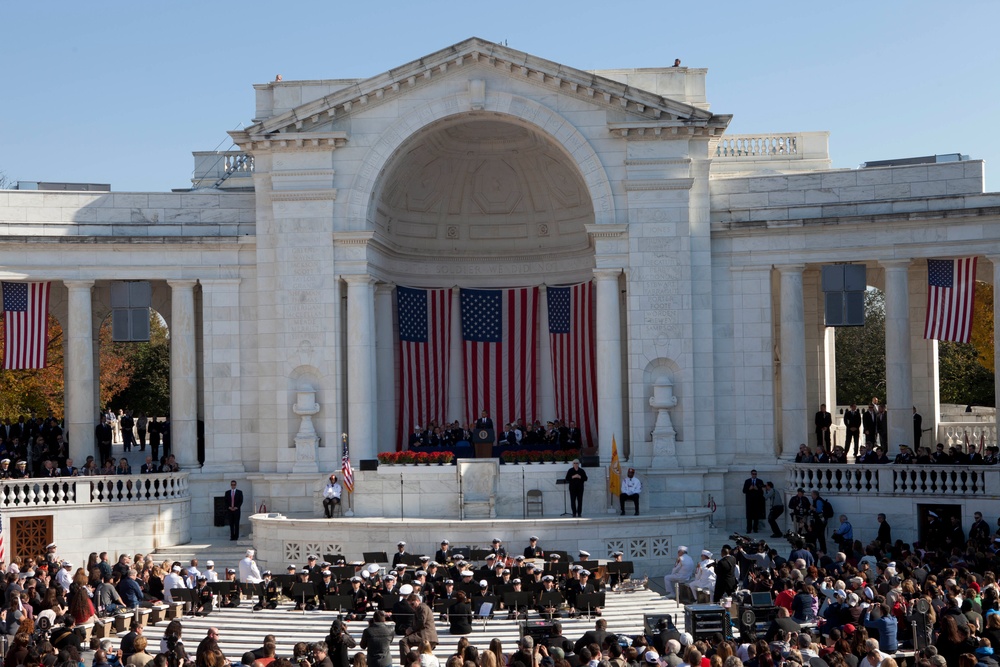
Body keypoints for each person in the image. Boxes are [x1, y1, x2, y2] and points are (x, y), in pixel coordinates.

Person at [399, 593, 438, 664]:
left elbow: (421, 622)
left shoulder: (421, 607)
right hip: (427, 636)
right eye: (410, 605)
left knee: (403, 641)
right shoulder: (421, 608)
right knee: (416, 656)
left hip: (425, 635)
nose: (411, 607)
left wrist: (411, 629)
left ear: (417, 600)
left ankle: (408, 664)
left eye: (412, 604)